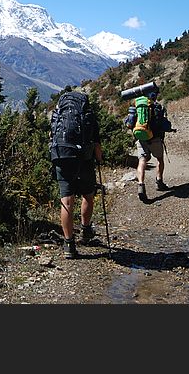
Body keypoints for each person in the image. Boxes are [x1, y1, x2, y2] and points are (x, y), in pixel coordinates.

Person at [49, 91, 104, 259]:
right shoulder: (88, 116)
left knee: (66, 200)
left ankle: (69, 244)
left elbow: (51, 137)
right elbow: (96, 145)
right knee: (88, 195)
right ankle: (86, 230)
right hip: (83, 159)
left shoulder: (57, 115)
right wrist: (99, 159)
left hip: (61, 156)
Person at [133, 91, 171, 202]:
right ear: (154, 97)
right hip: (155, 139)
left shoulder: (138, 107)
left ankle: (141, 185)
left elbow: (130, 122)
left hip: (141, 138)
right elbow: (165, 124)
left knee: (142, 160)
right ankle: (159, 182)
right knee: (160, 159)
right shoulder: (157, 107)